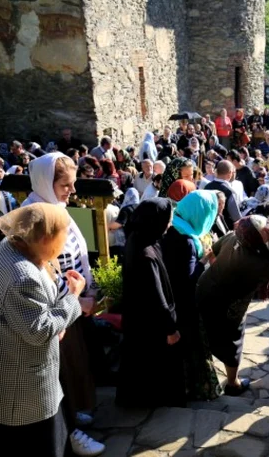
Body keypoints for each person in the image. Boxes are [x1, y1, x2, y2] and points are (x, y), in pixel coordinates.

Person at [0, 203, 86, 457]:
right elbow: (39, 330)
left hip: (6, 382)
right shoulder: (22, 276)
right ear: (44, 237)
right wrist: (73, 297)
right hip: (25, 393)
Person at [22, 153, 104, 456]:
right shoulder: (35, 217)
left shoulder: (56, 209)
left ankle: (76, 416)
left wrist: (84, 293)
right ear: (46, 182)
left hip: (71, 303)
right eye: (64, 185)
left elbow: (71, 257)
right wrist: (76, 299)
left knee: (76, 361)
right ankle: (70, 431)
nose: (71, 191)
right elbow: (41, 269)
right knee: (61, 369)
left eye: (72, 184)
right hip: (53, 309)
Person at [198, 216, 269, 395]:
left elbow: (212, 252)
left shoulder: (234, 236)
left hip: (205, 288)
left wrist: (223, 274)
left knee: (206, 331)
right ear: (256, 240)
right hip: (226, 302)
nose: (268, 229)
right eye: (265, 230)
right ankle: (233, 384)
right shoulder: (251, 260)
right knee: (232, 339)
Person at [116, 198, 185, 408]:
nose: (170, 224)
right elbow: (157, 296)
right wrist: (170, 328)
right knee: (150, 363)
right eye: (168, 220)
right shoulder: (146, 253)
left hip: (137, 319)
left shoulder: (138, 239)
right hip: (150, 324)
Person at [162, 191, 222, 401]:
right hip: (184, 306)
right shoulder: (186, 240)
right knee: (192, 349)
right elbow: (188, 278)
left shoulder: (174, 226)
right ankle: (198, 390)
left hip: (170, 302)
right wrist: (205, 259)